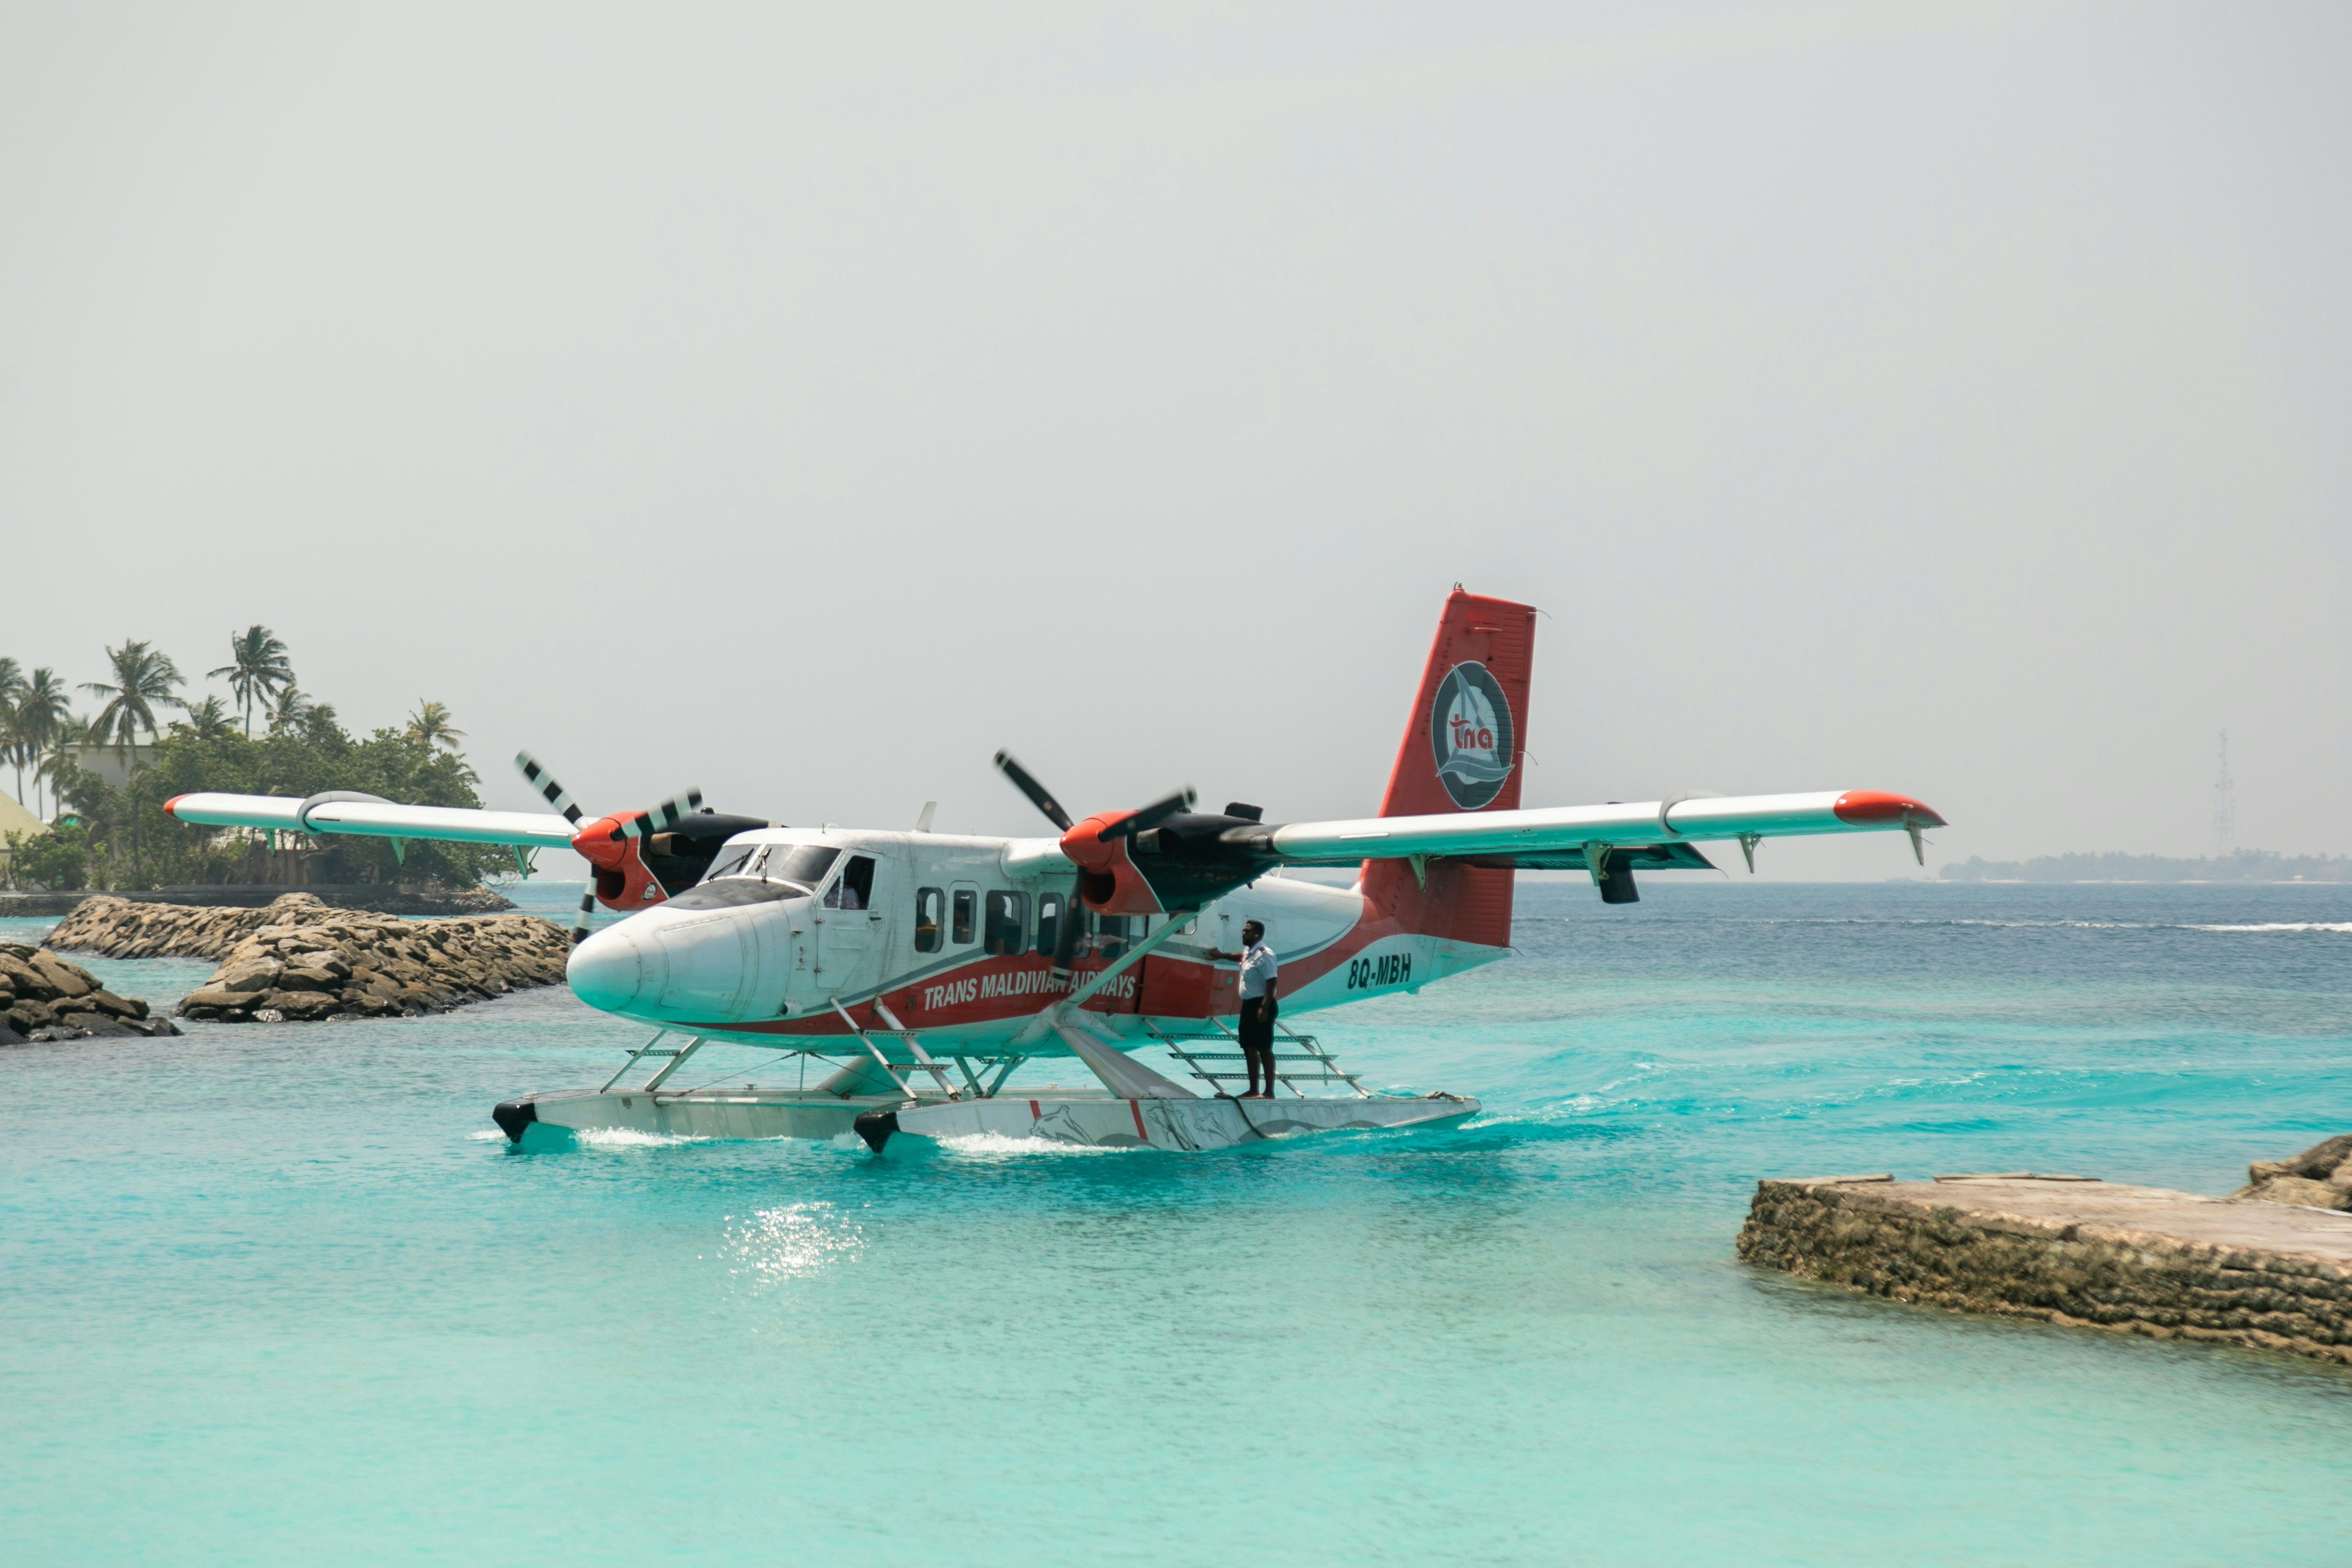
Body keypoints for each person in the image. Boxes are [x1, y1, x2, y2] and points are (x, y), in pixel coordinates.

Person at [1210, 920, 1280, 1098]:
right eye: (1243, 931)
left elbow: (1272, 982)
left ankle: (1269, 1091)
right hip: (1249, 1006)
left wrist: (1264, 1007)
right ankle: (1253, 1090)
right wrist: (1220, 956)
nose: (1243, 934)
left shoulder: (1265, 954)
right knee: (1248, 1047)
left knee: (1264, 1048)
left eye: (1247, 932)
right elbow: (1240, 957)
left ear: (1256, 935)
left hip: (1262, 1005)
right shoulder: (1250, 952)